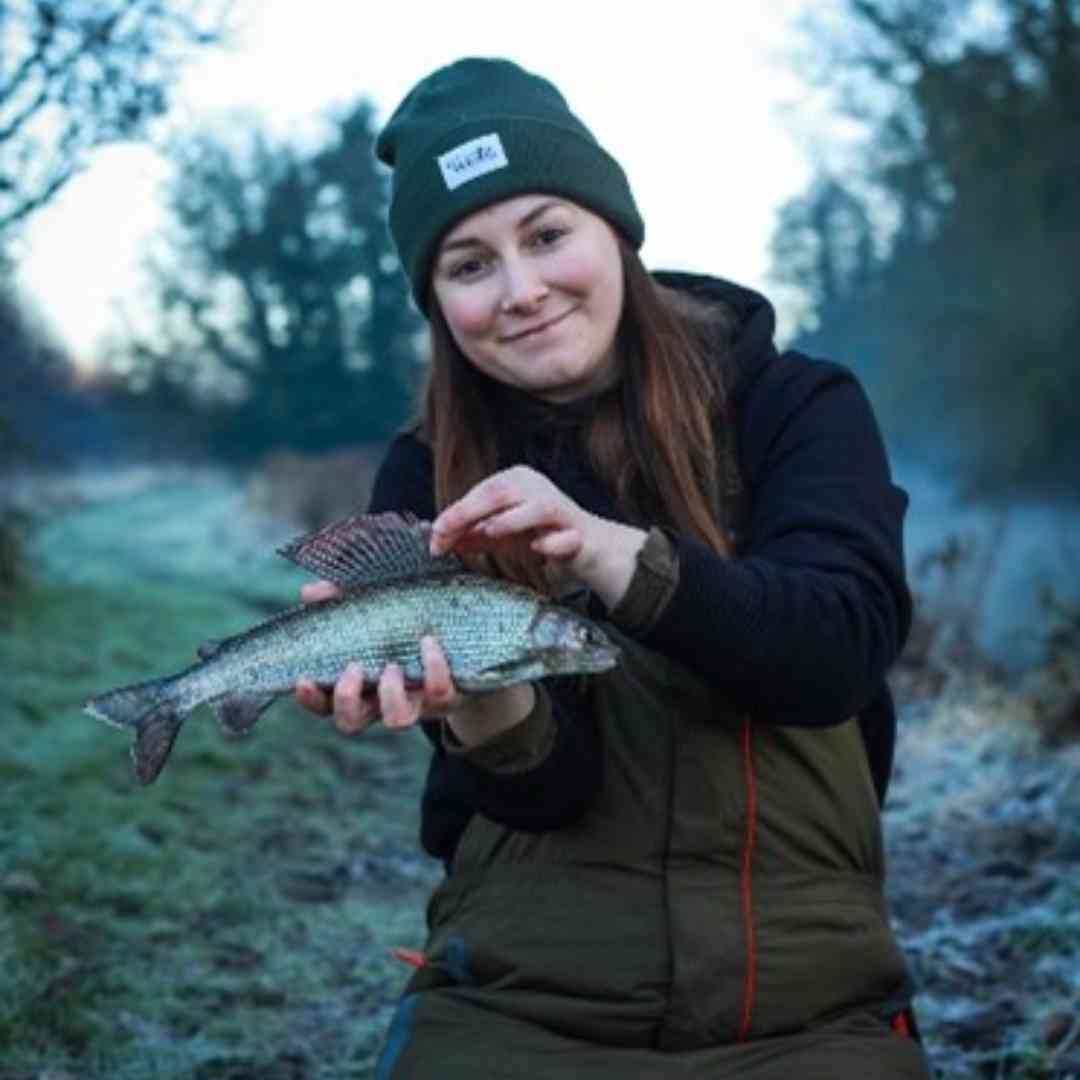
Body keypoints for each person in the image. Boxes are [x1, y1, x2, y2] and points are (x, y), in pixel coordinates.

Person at [294, 57, 931, 1079]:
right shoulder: (424, 470)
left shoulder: (796, 406)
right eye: (469, 264)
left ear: (616, 232)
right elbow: (547, 796)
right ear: (438, 302)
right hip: (517, 999)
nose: (523, 291)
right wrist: (483, 713)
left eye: (547, 235)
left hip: (807, 1007)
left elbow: (834, 655)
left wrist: (607, 549)